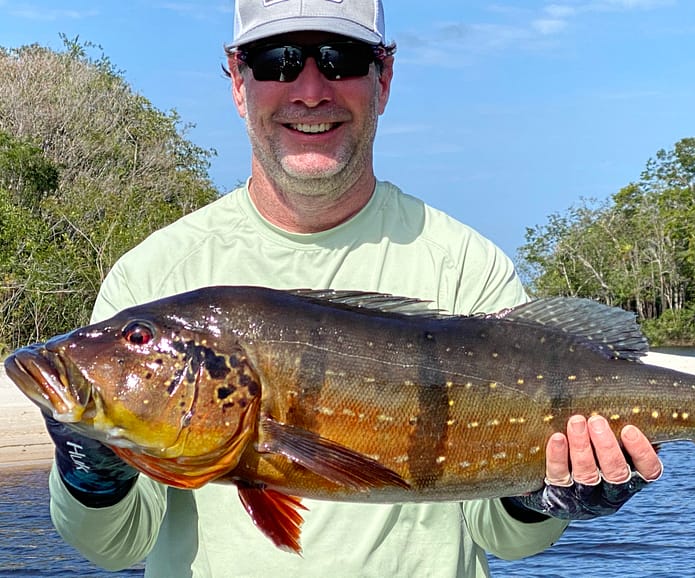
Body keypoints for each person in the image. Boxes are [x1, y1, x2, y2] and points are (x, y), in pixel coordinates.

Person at [45, 1, 663, 576]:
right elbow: (112, 545)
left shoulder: (467, 267)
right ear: (238, 80)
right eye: (278, 60)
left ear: (384, 78)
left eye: (340, 60)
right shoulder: (152, 274)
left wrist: (541, 501)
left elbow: (501, 536)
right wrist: (90, 473)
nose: (311, 90)